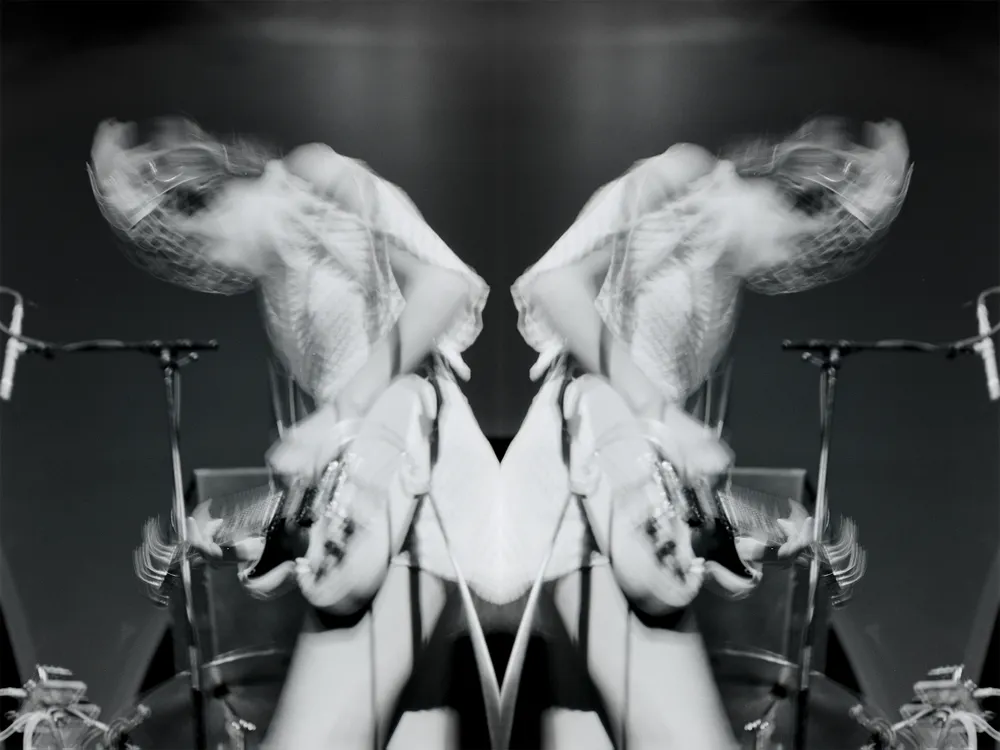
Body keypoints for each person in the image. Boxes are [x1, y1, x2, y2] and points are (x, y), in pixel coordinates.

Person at [88, 118, 501, 749]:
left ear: (211, 197)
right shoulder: (280, 283)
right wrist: (253, 540)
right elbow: (332, 464)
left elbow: (444, 286)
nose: (200, 265)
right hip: (384, 499)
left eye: (193, 242)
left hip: (419, 470)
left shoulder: (312, 176)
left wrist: (338, 416)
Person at [498, 118, 912, 748]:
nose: (797, 265)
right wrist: (661, 416)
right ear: (785, 196)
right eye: (802, 242)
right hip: (581, 469)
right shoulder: (685, 176)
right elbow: (555, 286)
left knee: (587, 723)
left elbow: (667, 458)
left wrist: (745, 539)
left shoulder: (719, 281)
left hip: (616, 497)